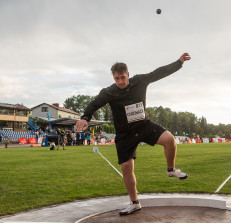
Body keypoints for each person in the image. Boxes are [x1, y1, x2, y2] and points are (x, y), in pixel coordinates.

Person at [75, 53, 191, 215]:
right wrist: (85, 118)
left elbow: (159, 73)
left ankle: (171, 169)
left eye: (123, 77)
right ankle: (134, 203)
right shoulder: (109, 92)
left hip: (143, 126)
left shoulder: (140, 81)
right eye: (117, 79)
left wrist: (178, 63)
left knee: (170, 139)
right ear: (113, 78)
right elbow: (94, 104)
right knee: (126, 167)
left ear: (128, 75)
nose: (120, 81)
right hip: (124, 133)